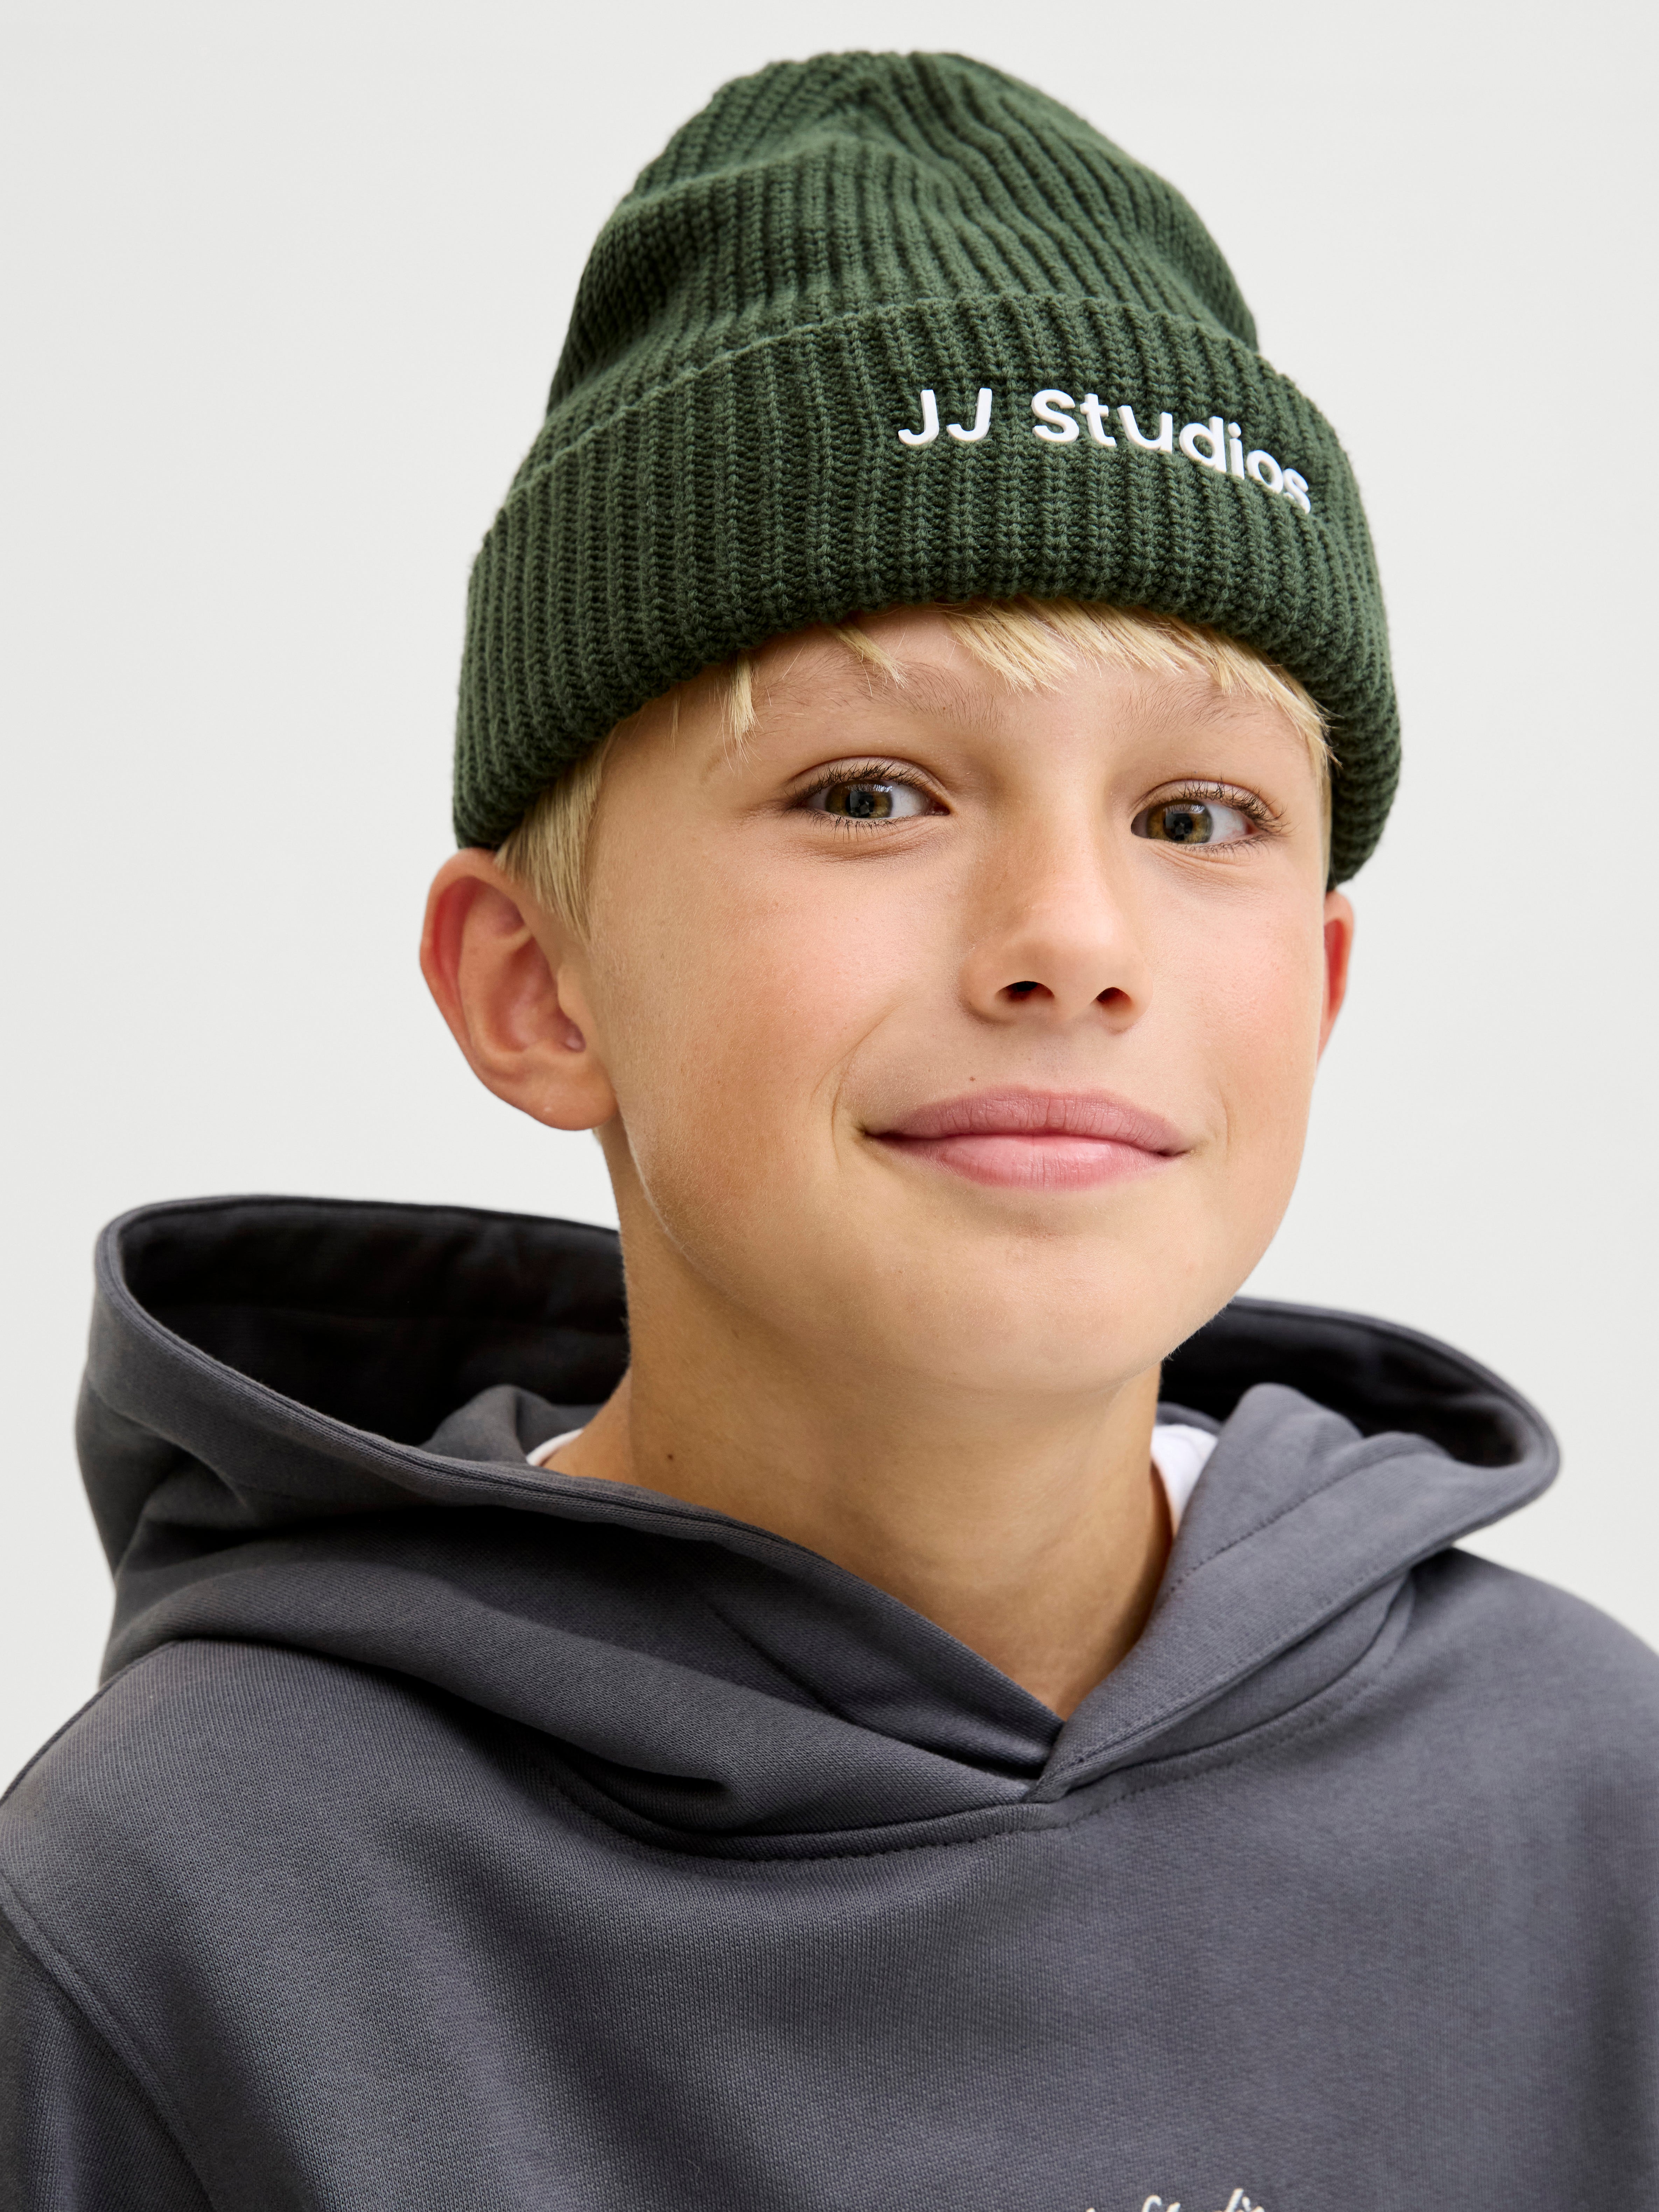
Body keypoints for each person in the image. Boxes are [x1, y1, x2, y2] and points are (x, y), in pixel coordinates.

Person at [2, 51, 1654, 2209]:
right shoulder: (168, 1917)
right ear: (538, 986)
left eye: (1194, 817)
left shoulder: (1592, 1804)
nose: (1071, 939)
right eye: (868, 792)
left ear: (1318, 992)